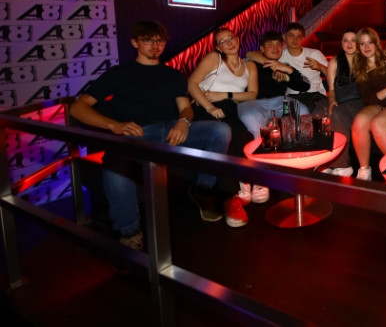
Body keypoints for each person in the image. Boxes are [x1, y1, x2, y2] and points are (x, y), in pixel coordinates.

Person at [70, 21, 232, 253]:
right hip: (136, 134)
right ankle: (129, 231)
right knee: (114, 163)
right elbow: (78, 108)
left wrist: (184, 122)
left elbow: (186, 108)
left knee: (220, 130)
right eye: (148, 40)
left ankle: (203, 191)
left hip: (171, 130)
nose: (155, 45)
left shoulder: (173, 75)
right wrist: (114, 125)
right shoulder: (118, 73)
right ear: (135, 43)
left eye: (159, 40)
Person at [188, 28, 258, 227]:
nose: (229, 43)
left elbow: (252, 94)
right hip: (205, 105)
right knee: (226, 137)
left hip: (230, 107)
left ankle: (244, 183)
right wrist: (210, 106)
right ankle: (230, 199)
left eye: (231, 38)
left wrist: (225, 95)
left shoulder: (249, 65)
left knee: (243, 133)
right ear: (217, 47)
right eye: (223, 41)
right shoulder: (214, 58)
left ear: (237, 39)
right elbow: (192, 84)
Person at [237, 31, 312, 207]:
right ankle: (260, 179)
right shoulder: (250, 62)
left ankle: (299, 172)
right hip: (252, 102)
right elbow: (248, 54)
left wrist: (287, 69)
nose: (276, 48)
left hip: (280, 102)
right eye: (270, 44)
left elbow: (305, 84)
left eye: (278, 44)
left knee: (302, 111)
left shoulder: (284, 65)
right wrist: (268, 64)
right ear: (262, 48)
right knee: (254, 123)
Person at [349, 28, 386, 181]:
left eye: (370, 42)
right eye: (362, 44)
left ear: (376, 43)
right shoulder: (360, 69)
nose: (366, 47)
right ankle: (364, 170)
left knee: (377, 123)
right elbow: (367, 99)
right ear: (358, 47)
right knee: (359, 121)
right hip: (378, 103)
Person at [246, 23, 328, 116]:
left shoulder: (314, 54)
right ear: (284, 37)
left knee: (321, 115)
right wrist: (273, 65)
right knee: (295, 114)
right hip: (292, 96)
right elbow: (250, 54)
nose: (295, 40)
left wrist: (321, 67)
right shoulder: (279, 55)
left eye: (299, 36)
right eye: (291, 36)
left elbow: (332, 76)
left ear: (303, 38)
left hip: (316, 93)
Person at [322, 29, 361, 177]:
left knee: (337, 113)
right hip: (341, 99)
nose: (349, 44)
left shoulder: (365, 58)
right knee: (320, 113)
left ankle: (342, 165)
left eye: (353, 40)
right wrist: (332, 100)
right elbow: (331, 90)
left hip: (360, 101)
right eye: (346, 40)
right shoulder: (335, 61)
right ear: (341, 43)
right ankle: (325, 160)